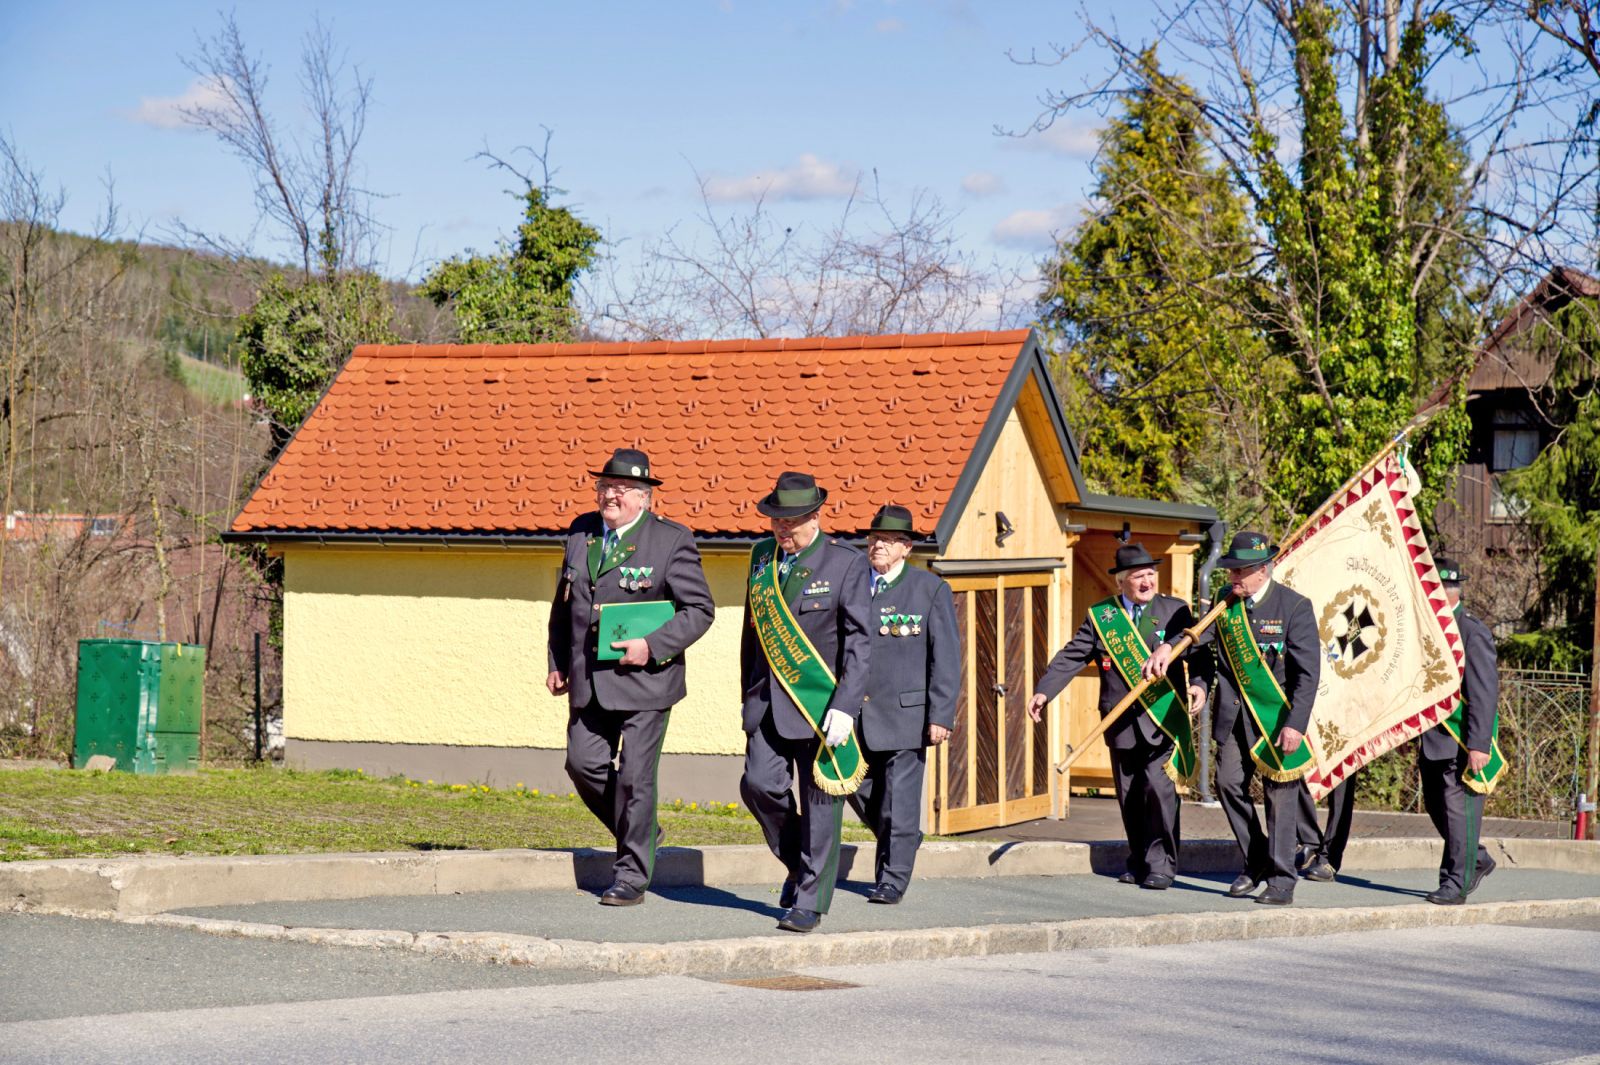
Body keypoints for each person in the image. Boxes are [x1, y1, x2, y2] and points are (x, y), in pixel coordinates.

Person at [546, 448, 715, 906]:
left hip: (647, 682)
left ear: (644, 497)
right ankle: (642, 830)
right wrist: (557, 661)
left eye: (622, 489)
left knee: (636, 778)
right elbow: (564, 605)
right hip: (590, 679)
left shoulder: (670, 540)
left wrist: (653, 645)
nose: (610, 495)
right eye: (605, 487)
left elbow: (699, 610)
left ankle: (631, 877)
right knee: (582, 763)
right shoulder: (581, 532)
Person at [1151, 530, 1319, 906]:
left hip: (1276, 720)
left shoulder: (1294, 606)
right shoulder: (1225, 603)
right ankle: (1257, 858)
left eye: (1239, 571)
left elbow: (1307, 675)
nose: (1232, 578)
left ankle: (1282, 880)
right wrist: (1167, 647)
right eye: (1229, 571)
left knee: (1280, 799)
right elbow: (1197, 634)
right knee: (1227, 784)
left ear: (1262, 570)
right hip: (1233, 717)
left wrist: (1296, 724)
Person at [739, 471, 872, 934]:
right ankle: (798, 864)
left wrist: (846, 705)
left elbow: (859, 643)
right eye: (776, 520)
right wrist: (745, 697)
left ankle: (810, 901)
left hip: (821, 707)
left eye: (791, 521)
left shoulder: (844, 564)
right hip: (766, 705)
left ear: (815, 517)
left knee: (820, 805)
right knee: (758, 786)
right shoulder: (761, 558)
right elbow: (751, 638)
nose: (782, 529)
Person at [1031, 542, 1203, 890]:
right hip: (1120, 720)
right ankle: (1138, 860)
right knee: (1130, 795)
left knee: (1158, 789)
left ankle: (1162, 865)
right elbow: (1073, 656)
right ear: (1120, 581)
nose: (1147, 582)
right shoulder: (1102, 616)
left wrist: (1199, 684)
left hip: (1162, 717)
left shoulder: (1175, 611)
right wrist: (1044, 691)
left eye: (1151, 574)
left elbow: (1197, 653)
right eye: (1138, 576)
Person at [849, 504, 960, 904]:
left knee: (898, 799)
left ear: (906, 548)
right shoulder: (852, 583)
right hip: (853, 713)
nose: (877, 545)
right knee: (853, 786)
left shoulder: (929, 589)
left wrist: (941, 714)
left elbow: (945, 656)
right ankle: (905, 837)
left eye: (888, 540)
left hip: (905, 715)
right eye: (874, 538)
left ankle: (892, 879)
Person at [1419, 557, 1500, 905]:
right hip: (1432, 738)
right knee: (1436, 807)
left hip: (1461, 741)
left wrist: (1479, 744)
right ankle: (1476, 858)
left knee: (1459, 812)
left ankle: (1456, 882)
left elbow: (1483, 692)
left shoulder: (1471, 631)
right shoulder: (1429, 628)